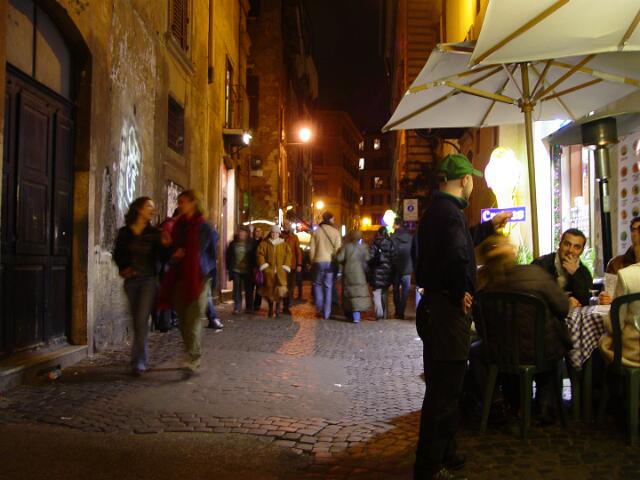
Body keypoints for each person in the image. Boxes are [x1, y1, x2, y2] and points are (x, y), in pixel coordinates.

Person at [414, 153, 511, 480]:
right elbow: (457, 254)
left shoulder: (437, 211)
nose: (473, 186)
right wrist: (461, 291)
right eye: (472, 180)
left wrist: (488, 227)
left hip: (435, 310)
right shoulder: (450, 214)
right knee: (444, 394)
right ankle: (430, 467)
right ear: (465, 180)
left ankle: (445, 452)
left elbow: (459, 243)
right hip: (446, 314)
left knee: (441, 389)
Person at [469, 235, 571, 424]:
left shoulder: (481, 284)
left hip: (500, 353)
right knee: (557, 350)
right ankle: (545, 404)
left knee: (475, 352)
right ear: (514, 254)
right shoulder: (536, 274)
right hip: (540, 352)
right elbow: (563, 308)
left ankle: (496, 403)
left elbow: (481, 328)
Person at [159, 189, 217, 373]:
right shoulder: (178, 226)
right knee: (183, 320)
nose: (179, 205)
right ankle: (190, 351)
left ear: (193, 203)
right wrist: (173, 252)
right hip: (180, 276)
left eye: (182, 201)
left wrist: (209, 276)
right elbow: (171, 250)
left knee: (193, 320)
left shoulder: (205, 228)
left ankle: (193, 357)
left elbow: (211, 254)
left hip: (199, 278)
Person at [113, 197, 166, 376]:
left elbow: (163, 256)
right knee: (137, 321)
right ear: (139, 209)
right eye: (149, 206)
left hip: (148, 280)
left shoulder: (154, 233)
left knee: (142, 320)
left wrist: (167, 245)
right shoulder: (125, 232)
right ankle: (138, 358)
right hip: (131, 281)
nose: (153, 209)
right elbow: (118, 253)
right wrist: (123, 268)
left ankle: (139, 362)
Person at [599, 261, 640, 367]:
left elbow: (613, 327)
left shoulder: (627, 275)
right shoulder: (618, 265)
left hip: (633, 357)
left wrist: (606, 312)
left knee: (599, 346)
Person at [600, 217, 640, 304]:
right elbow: (607, 294)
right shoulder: (615, 264)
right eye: (634, 229)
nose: (638, 233)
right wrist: (605, 298)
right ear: (631, 234)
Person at [310, 212, 341, 319]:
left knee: (317, 284)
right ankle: (327, 313)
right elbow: (338, 250)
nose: (334, 221)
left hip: (318, 261)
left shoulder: (316, 232)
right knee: (328, 287)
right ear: (330, 219)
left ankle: (319, 307)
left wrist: (312, 261)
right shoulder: (336, 232)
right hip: (330, 262)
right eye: (333, 219)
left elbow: (312, 249)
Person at [256, 225, 292, 317]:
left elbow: (288, 256)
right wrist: (264, 266)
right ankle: (271, 308)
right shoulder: (264, 244)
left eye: (276, 232)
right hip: (269, 272)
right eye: (272, 232)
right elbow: (260, 255)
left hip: (280, 272)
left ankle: (278, 308)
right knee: (269, 291)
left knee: (280, 291)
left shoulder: (284, 245)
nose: (274, 234)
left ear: (279, 234)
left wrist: (285, 266)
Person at [336, 230, 371, 323]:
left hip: (348, 272)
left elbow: (339, 258)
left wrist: (335, 254)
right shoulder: (364, 246)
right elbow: (368, 258)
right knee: (358, 293)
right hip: (360, 273)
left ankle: (351, 313)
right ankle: (357, 316)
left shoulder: (346, 246)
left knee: (349, 293)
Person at [368, 227, 396, 320]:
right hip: (388, 273)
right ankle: (385, 315)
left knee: (376, 293)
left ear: (379, 233)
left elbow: (370, 258)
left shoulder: (375, 243)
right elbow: (394, 258)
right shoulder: (391, 243)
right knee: (385, 293)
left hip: (377, 272)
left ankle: (379, 314)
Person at [226, 227, 254, 314]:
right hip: (236, 270)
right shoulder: (233, 244)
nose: (241, 234)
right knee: (237, 289)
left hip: (248, 270)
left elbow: (254, 256)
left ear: (246, 234)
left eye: (243, 232)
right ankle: (237, 307)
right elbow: (228, 256)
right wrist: (228, 268)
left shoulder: (251, 243)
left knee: (248, 289)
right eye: (240, 232)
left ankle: (249, 307)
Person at [391, 217, 413, 319]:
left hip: (396, 268)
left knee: (395, 290)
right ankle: (401, 311)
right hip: (407, 268)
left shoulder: (392, 237)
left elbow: (390, 253)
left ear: (396, 225)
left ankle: (397, 310)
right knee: (405, 291)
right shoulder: (410, 237)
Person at [282, 220, 303, 314]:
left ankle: (287, 304)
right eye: (284, 224)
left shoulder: (294, 237)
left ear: (289, 226)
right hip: (282, 265)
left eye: (287, 224)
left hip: (292, 265)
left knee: (290, 286)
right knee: (282, 285)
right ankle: (283, 304)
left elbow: (298, 251)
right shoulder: (280, 236)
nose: (286, 226)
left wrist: (299, 264)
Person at [251, 226, 266, 312]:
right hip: (252, 267)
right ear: (254, 232)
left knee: (259, 286)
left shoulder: (263, 242)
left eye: (260, 231)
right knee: (250, 287)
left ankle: (257, 304)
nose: (258, 233)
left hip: (260, 267)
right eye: (257, 231)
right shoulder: (251, 241)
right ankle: (250, 304)